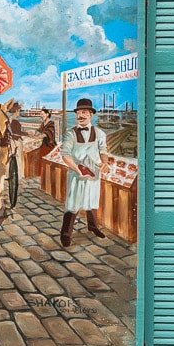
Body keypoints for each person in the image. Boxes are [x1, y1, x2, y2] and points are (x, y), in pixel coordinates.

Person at [55, 97, 107, 247]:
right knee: (73, 203)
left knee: (91, 199)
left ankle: (93, 226)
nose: (81, 116)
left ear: (91, 114)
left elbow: (103, 151)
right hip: (76, 172)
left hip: (94, 171)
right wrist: (78, 169)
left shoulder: (100, 133)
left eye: (84, 112)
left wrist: (105, 163)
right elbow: (65, 155)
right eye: (78, 113)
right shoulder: (70, 134)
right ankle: (65, 233)